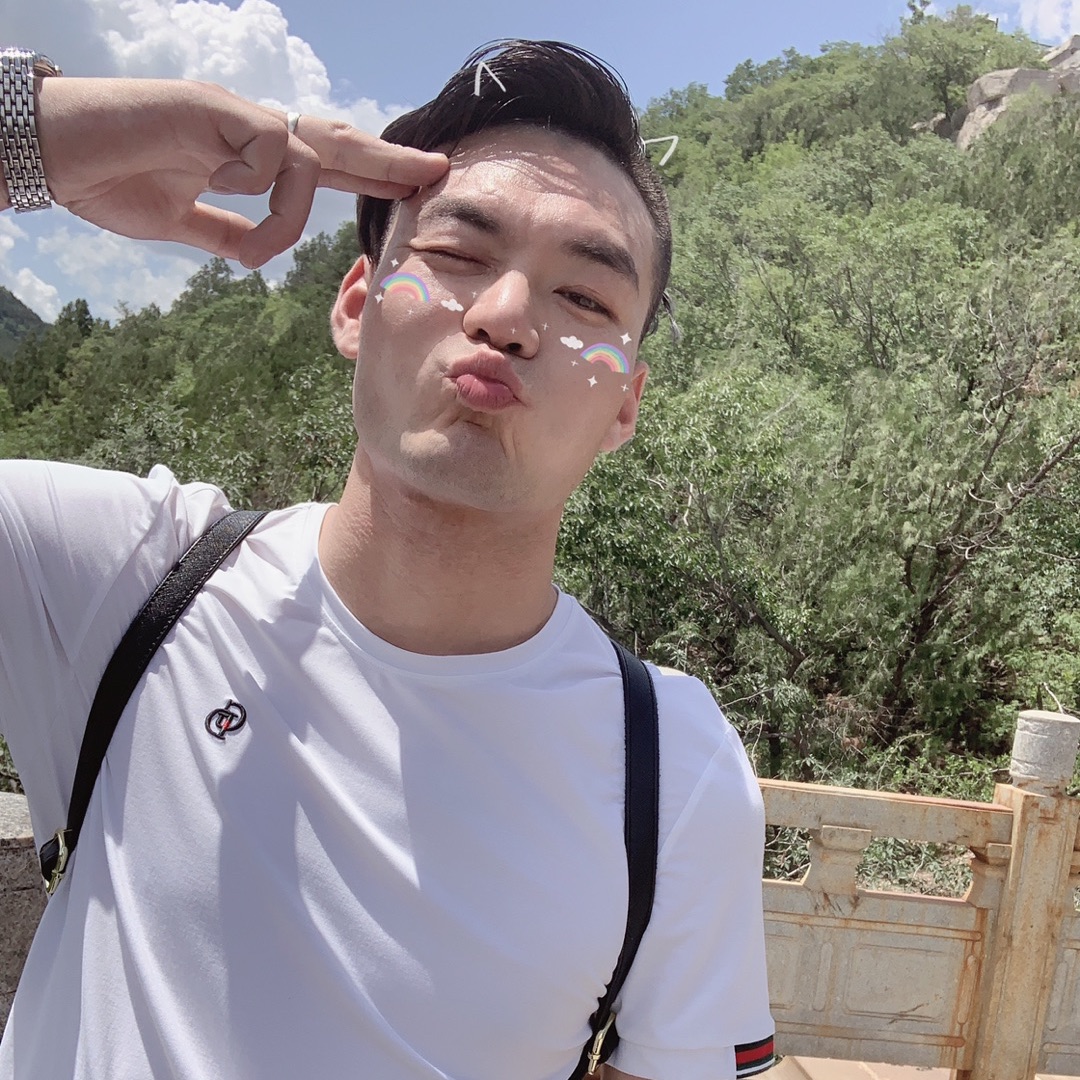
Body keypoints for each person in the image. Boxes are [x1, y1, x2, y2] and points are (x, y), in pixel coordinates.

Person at [0, 40, 775, 1080]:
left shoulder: (673, 766)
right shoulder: (123, 579)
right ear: (357, 304)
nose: (507, 318)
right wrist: (39, 133)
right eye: (458, 253)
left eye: (587, 300)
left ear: (626, 403)